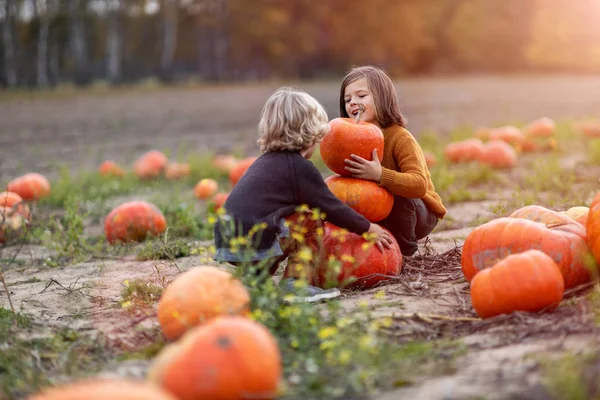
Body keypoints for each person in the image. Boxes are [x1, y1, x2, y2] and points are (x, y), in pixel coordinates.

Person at [213, 86, 393, 302]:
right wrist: (367, 227)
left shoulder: (263, 163)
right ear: (309, 136)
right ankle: (296, 285)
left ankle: (253, 283)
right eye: (317, 141)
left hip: (228, 239)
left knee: (280, 223)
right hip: (256, 240)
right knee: (310, 222)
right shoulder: (299, 168)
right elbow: (330, 207)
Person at [339, 65, 447, 257]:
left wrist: (380, 174)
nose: (353, 103)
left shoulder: (399, 138)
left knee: (401, 200)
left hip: (418, 212)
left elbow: (418, 186)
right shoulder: (349, 142)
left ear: (382, 98)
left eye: (361, 96)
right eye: (348, 99)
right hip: (379, 211)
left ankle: (407, 254)